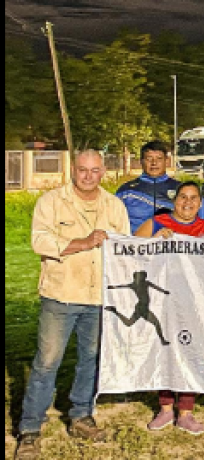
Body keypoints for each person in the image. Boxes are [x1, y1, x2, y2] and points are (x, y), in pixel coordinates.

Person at [16, 151, 130, 459]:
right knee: (46, 363)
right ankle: (29, 430)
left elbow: (125, 248)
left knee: (90, 361)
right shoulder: (51, 202)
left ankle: (81, 416)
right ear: (73, 170)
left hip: (98, 298)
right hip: (61, 295)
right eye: (83, 170)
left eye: (95, 170)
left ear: (103, 171)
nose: (89, 176)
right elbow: (40, 241)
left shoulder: (114, 206)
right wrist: (84, 242)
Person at [132, 181, 204, 435]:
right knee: (164, 349)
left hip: (190, 301)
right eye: (182, 197)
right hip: (161, 299)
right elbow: (128, 254)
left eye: (193, 198)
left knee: (190, 349)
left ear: (200, 204)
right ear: (174, 200)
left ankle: (186, 411)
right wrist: (153, 242)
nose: (187, 203)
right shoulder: (157, 223)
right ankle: (165, 408)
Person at [116, 141, 204, 233]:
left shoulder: (181, 189)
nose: (154, 163)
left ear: (166, 161)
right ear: (141, 161)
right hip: (137, 244)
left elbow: (201, 223)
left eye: (159, 159)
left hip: (174, 244)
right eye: (149, 159)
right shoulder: (126, 191)